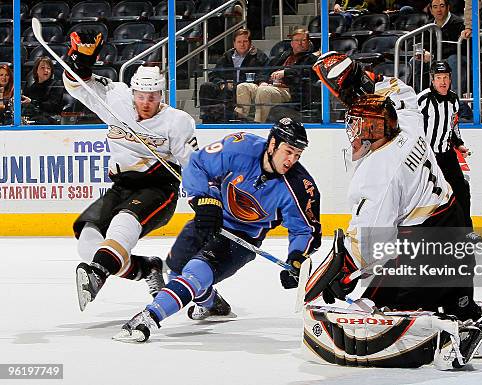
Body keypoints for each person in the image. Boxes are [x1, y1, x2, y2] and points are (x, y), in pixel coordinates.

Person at [302, 51, 482, 368]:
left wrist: (335, 276)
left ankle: (446, 335)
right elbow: (402, 93)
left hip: (424, 258)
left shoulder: (376, 173)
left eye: (356, 126)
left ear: (372, 131)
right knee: (460, 307)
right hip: (457, 240)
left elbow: (367, 244)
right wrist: (370, 81)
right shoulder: (407, 125)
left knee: (366, 315)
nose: (352, 132)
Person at [113, 118, 322, 343]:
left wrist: (297, 257)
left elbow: (304, 230)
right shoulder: (240, 147)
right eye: (288, 151)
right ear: (272, 144)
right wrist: (204, 198)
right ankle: (212, 304)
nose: (291, 160)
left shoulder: (300, 186)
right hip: (212, 216)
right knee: (176, 271)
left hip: (243, 238)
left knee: (195, 272)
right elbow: (198, 164)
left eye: (297, 155)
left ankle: (147, 319)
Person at [62, 31, 198, 312]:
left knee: (123, 223)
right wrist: (81, 62)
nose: (146, 102)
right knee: (88, 240)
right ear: (132, 92)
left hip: (159, 188)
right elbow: (78, 85)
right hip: (122, 185)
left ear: (162, 94)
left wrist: (208, 196)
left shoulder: (177, 122)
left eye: (152, 96)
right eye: (141, 95)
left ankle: (98, 273)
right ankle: (146, 269)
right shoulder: (115, 99)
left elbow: (193, 165)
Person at [417, 61, 476, 230]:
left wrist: (459, 144)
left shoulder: (454, 100)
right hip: (426, 157)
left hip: (447, 154)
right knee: (427, 196)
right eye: (438, 78)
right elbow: (410, 125)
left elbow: (453, 124)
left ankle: (465, 232)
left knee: (462, 190)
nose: (442, 82)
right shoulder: (422, 100)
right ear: (432, 80)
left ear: (450, 79)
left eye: (445, 78)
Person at [235, 29, 318, 123]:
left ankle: (258, 124)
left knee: (264, 91)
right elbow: (265, 70)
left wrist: (285, 73)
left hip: (289, 90)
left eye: (303, 40)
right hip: (269, 86)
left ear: (308, 42)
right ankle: (241, 120)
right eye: (296, 40)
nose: (300, 43)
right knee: (243, 87)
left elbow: (306, 73)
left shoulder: (311, 59)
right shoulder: (283, 55)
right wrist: (262, 81)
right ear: (291, 43)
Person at [199, 28, 268, 122]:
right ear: (234, 43)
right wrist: (221, 83)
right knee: (206, 87)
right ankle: (206, 121)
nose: (242, 44)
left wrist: (257, 82)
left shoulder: (259, 56)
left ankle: (227, 120)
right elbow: (214, 75)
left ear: (250, 42)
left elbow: (264, 74)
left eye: (245, 41)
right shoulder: (227, 56)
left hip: (246, 89)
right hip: (227, 88)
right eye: (239, 42)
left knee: (232, 93)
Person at [411, 0, 466, 92]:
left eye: (442, 6)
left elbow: (459, 48)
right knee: (416, 60)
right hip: (435, 58)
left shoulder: (459, 24)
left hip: (456, 58)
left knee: (453, 59)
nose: (439, 10)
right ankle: (422, 95)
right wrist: (424, 53)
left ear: (448, 8)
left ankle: (455, 96)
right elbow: (417, 42)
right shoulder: (428, 26)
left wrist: (433, 56)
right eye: (435, 7)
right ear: (431, 10)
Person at [22, 56, 64, 124]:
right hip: (33, 117)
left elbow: (52, 106)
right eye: (42, 68)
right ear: (36, 70)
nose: (46, 70)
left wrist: (32, 102)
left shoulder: (56, 85)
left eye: (48, 68)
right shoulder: (31, 85)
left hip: (49, 118)